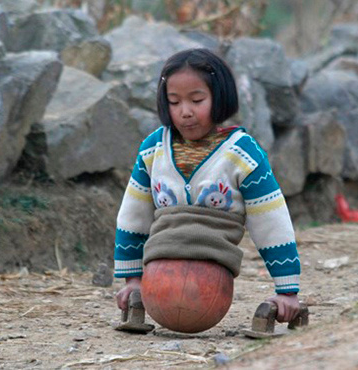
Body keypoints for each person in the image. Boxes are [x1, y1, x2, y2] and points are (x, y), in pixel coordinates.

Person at [113, 48, 301, 324]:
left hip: (212, 284)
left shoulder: (242, 155)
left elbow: (271, 220)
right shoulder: (153, 149)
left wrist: (287, 291)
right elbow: (133, 215)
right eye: (174, 102)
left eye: (197, 99)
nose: (185, 112)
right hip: (157, 276)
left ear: (220, 96)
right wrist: (132, 280)